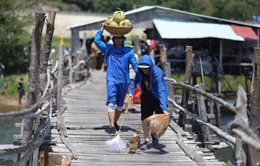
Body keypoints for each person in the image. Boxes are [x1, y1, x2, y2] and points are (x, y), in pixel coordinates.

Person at [94, 23, 138, 136]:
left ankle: (115, 122)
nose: (118, 40)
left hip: (124, 81)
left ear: (123, 39)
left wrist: (142, 77)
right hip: (112, 79)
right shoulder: (108, 49)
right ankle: (112, 126)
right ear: (113, 39)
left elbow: (135, 66)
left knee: (120, 106)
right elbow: (97, 41)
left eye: (120, 38)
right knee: (111, 103)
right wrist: (101, 29)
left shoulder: (129, 51)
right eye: (116, 38)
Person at [128, 55, 169, 150]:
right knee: (145, 118)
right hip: (146, 96)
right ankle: (146, 141)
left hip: (158, 97)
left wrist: (164, 108)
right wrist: (130, 93)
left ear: (151, 66)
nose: (145, 70)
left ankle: (155, 137)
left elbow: (161, 90)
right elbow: (134, 83)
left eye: (146, 68)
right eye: (142, 68)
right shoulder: (139, 72)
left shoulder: (157, 72)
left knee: (156, 120)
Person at [124, 40, 139, 110]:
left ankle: (126, 106)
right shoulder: (135, 55)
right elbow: (136, 66)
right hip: (133, 75)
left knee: (126, 91)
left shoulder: (123, 55)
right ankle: (132, 105)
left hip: (125, 75)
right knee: (132, 91)